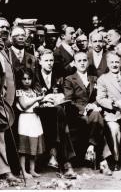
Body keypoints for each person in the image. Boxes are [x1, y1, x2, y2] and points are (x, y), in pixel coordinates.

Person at [64, 51, 112, 175]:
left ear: (88, 62)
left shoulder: (95, 79)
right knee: (98, 120)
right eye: (79, 61)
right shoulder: (69, 79)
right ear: (74, 63)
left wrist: (94, 105)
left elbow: (100, 96)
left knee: (97, 116)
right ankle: (103, 160)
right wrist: (84, 108)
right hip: (76, 114)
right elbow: (69, 100)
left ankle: (91, 148)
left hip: (93, 113)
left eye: (84, 60)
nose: (82, 63)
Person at [35, 49, 76, 178]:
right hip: (39, 111)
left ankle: (53, 153)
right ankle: (67, 163)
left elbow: (65, 93)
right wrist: (45, 98)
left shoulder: (59, 74)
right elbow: (34, 93)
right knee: (63, 122)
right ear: (40, 62)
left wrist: (58, 96)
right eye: (46, 60)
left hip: (56, 110)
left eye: (51, 60)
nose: (49, 63)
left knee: (59, 111)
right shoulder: (35, 75)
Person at [0, 17, 20, 182]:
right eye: (2, 26)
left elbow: (4, 75)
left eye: (8, 28)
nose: (5, 30)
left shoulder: (3, 50)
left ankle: (4, 171)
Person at [97, 51, 121, 170]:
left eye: (117, 62)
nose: (115, 64)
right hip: (112, 114)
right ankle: (116, 160)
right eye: (112, 62)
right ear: (107, 63)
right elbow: (100, 98)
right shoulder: (102, 79)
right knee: (114, 129)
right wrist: (116, 104)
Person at [16, 68, 45, 179]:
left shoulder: (33, 91)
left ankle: (32, 169)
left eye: (29, 79)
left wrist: (42, 101)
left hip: (35, 119)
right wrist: (37, 99)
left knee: (33, 146)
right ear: (20, 80)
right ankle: (22, 171)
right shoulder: (19, 91)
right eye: (24, 79)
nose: (27, 81)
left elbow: (36, 104)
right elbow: (24, 105)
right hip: (25, 120)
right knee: (23, 148)